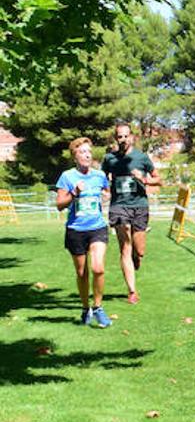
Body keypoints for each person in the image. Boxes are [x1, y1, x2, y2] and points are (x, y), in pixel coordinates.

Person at [55, 137, 112, 327]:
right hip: (76, 230)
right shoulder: (67, 176)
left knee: (98, 268)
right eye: (82, 152)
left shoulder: (99, 175)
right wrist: (74, 194)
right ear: (74, 156)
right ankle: (85, 307)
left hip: (97, 227)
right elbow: (59, 205)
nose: (87, 155)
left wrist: (106, 196)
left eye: (89, 151)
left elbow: (106, 191)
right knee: (82, 273)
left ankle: (98, 307)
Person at [101, 122, 160, 304]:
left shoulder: (141, 158)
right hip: (118, 206)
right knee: (125, 246)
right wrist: (104, 190)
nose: (123, 139)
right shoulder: (109, 159)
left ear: (132, 137)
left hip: (140, 206)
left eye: (126, 136)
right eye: (120, 136)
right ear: (115, 138)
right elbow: (101, 178)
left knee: (138, 249)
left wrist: (143, 179)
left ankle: (137, 256)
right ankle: (132, 291)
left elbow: (159, 180)